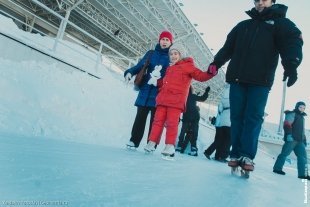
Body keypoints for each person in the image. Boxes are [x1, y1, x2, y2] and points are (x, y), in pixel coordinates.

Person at [207, 0, 303, 171]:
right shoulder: (243, 26)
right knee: (236, 117)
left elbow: (292, 42)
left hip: (260, 81)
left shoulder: (280, 24)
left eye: (264, 0)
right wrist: (216, 62)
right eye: (256, 0)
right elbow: (228, 47)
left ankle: (247, 155)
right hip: (237, 78)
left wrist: (291, 65)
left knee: (253, 117)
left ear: (272, 2)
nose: (259, 3)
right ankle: (235, 153)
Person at [144, 43, 217, 157]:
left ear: (181, 54)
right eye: (171, 54)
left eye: (176, 53)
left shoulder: (188, 66)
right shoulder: (170, 68)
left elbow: (200, 76)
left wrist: (210, 73)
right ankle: (152, 142)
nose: (173, 56)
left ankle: (169, 146)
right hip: (163, 100)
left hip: (175, 101)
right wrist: (157, 81)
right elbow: (165, 83)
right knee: (157, 121)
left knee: (172, 124)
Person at [124, 31, 173, 149]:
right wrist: (130, 72)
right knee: (139, 118)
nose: (164, 42)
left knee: (155, 122)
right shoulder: (151, 53)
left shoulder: (171, 57)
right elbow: (140, 65)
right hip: (145, 91)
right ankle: (134, 141)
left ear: (171, 42)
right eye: (163, 39)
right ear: (159, 40)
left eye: (167, 40)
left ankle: (151, 144)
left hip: (159, 94)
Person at [273, 101, 309, 180]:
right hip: (292, 139)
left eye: (304, 108)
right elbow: (287, 124)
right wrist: (289, 135)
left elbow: (302, 130)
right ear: (297, 107)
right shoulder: (292, 114)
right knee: (284, 154)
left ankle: (303, 174)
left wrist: (304, 139)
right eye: (300, 107)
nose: (302, 109)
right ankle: (277, 169)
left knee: (303, 157)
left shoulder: (302, 117)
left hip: (300, 141)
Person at [176, 86, 211, 156]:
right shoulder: (192, 96)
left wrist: (178, 117)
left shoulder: (183, 96)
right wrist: (206, 92)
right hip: (195, 117)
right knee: (194, 133)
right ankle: (193, 148)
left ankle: (179, 146)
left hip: (187, 117)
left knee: (183, 132)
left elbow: (178, 107)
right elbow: (202, 98)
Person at [203, 84, 231, 162]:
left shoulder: (223, 99)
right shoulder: (233, 95)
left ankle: (215, 155)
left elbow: (220, 109)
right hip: (228, 121)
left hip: (220, 122)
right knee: (227, 140)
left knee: (219, 140)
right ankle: (221, 157)